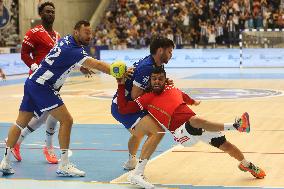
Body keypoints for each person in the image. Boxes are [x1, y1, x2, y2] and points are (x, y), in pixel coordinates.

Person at [116, 67, 266, 188]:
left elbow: (184, 97)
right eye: (154, 78)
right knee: (195, 120)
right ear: (149, 80)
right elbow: (123, 109)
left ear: (164, 80)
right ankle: (236, 126)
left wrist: (193, 102)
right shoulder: (145, 98)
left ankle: (247, 165)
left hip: (198, 126)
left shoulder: (172, 89)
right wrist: (121, 84)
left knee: (227, 146)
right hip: (181, 134)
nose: (157, 81)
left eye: (160, 79)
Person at [0, 20, 113, 177]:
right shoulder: (74, 50)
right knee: (67, 120)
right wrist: (118, 71)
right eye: (86, 32)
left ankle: (5, 162)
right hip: (43, 86)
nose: (89, 35)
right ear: (76, 32)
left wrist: (79, 66)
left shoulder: (65, 39)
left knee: (20, 123)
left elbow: (65, 59)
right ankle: (64, 165)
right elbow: (98, 65)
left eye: (91, 32)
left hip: (32, 82)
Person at [10, 1, 93, 164]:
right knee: (42, 116)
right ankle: (30, 144)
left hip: (54, 82)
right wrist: (35, 67)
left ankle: (24, 144)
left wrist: (80, 66)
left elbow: (65, 57)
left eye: (53, 12)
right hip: (39, 81)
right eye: (47, 11)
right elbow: (24, 54)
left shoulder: (57, 36)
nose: (51, 14)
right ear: (41, 14)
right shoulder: (33, 32)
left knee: (48, 115)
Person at [111, 36, 174, 176]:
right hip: (124, 106)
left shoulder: (156, 64)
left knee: (139, 133)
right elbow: (135, 96)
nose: (171, 55)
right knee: (157, 132)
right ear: (160, 51)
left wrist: (161, 83)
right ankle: (138, 172)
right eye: (169, 52)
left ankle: (131, 162)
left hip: (130, 105)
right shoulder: (147, 67)